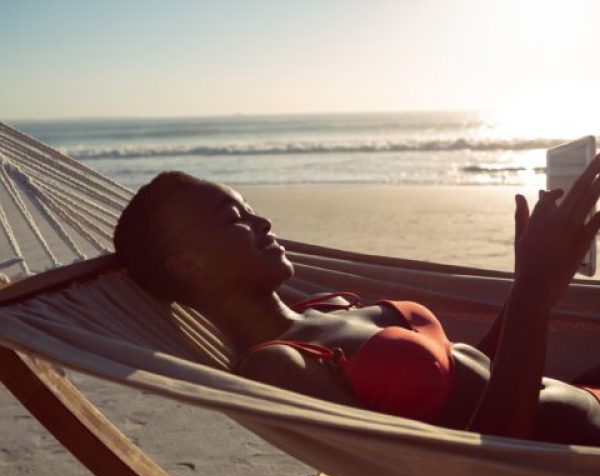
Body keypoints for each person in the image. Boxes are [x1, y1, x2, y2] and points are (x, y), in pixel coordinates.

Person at [113, 155, 600, 446]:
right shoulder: (278, 367)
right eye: (233, 217)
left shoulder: (326, 308)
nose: (263, 223)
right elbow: (487, 464)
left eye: (254, 210)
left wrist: (534, 287)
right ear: (189, 264)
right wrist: (534, 294)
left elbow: (477, 374)